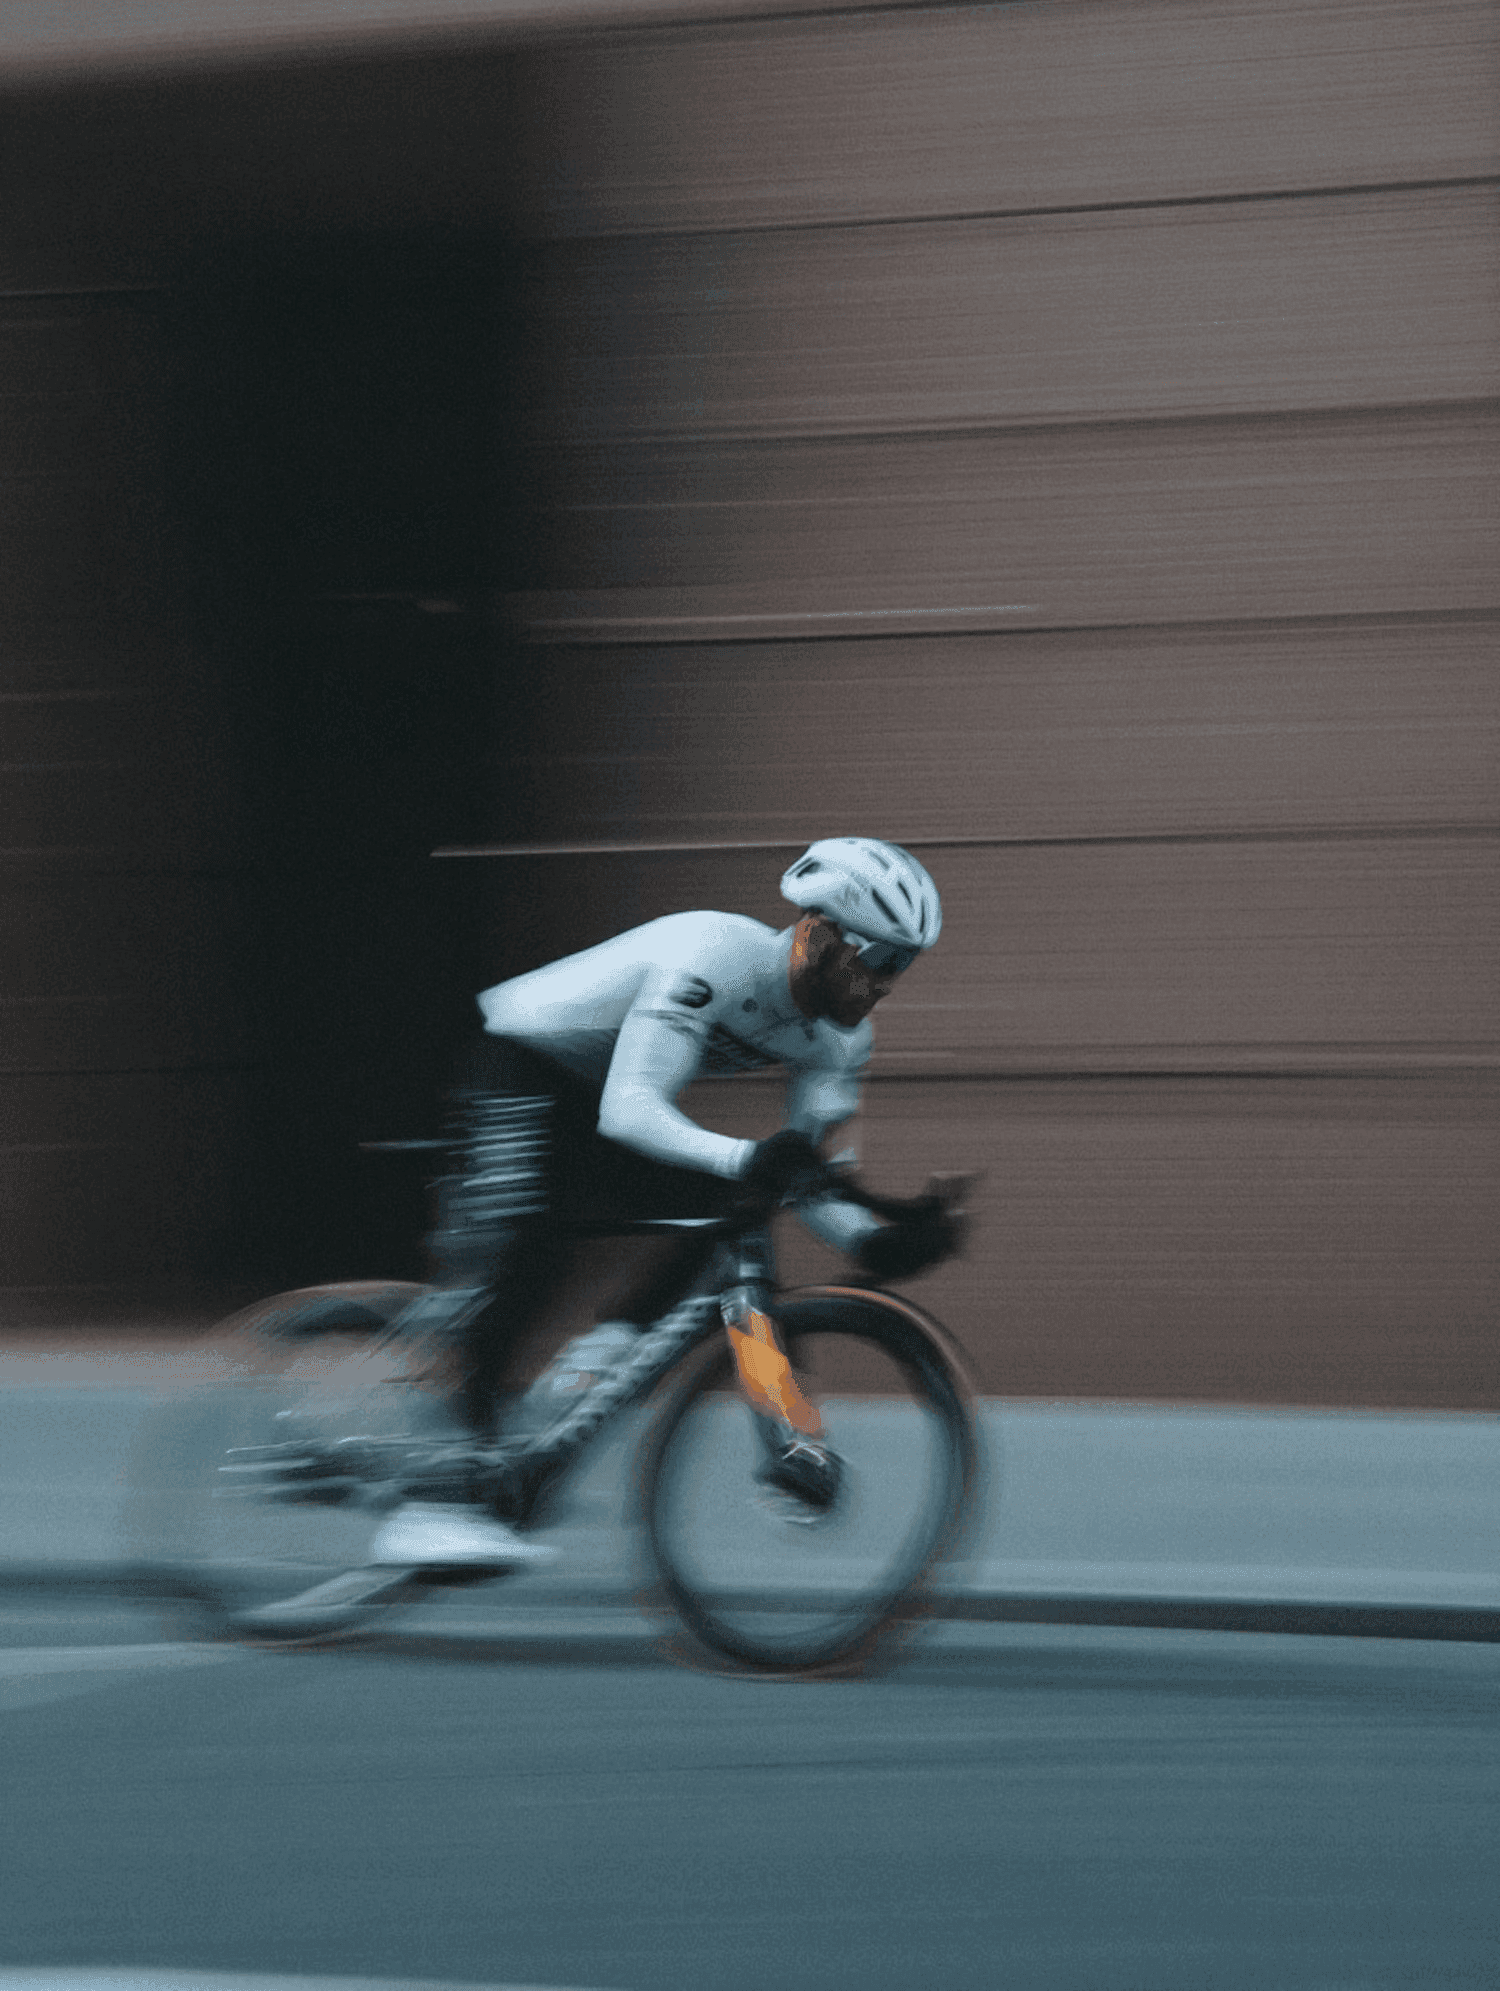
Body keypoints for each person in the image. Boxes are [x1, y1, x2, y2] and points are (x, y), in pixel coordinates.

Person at [368, 836, 960, 1569]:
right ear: (823, 932)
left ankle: (629, 1355)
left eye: (902, 968)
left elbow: (804, 1180)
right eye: (881, 960)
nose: (884, 986)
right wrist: (753, 1157)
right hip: (521, 1065)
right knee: (530, 1246)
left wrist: (879, 1243)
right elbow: (632, 1110)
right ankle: (437, 1501)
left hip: (594, 1105)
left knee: (737, 1215)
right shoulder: (713, 953)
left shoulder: (839, 1043)